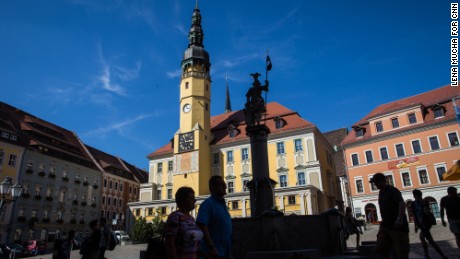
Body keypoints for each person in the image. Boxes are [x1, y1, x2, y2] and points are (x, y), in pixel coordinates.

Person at [370, 172, 409, 258]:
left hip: (397, 227)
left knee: (401, 252)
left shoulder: (392, 190)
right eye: (374, 183)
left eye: (376, 182)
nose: (375, 184)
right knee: (380, 249)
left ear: (382, 181)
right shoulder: (381, 192)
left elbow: (402, 204)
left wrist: (399, 219)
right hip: (386, 226)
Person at [196, 176, 232, 259]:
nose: (225, 186)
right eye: (221, 184)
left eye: (224, 184)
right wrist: (211, 247)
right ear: (213, 187)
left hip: (224, 253)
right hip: (212, 254)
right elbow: (201, 225)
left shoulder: (223, 205)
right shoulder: (208, 204)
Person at [164, 186, 205, 259]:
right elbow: (169, 244)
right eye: (191, 198)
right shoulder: (175, 217)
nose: (195, 200)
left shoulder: (191, 218)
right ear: (182, 200)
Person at [411, 189, 448, 259]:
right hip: (421, 224)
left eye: (419, 196)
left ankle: (440, 256)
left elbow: (427, 213)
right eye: (416, 196)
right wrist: (416, 226)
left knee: (427, 239)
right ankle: (433, 255)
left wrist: (425, 206)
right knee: (426, 239)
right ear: (414, 196)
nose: (418, 197)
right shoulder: (413, 204)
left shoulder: (424, 202)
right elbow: (415, 215)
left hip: (426, 223)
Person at [440, 186, 460, 250]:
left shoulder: (458, 198)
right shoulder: (444, 199)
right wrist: (442, 220)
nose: (456, 193)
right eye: (455, 192)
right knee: (457, 235)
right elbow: (442, 210)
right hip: (452, 220)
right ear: (450, 192)